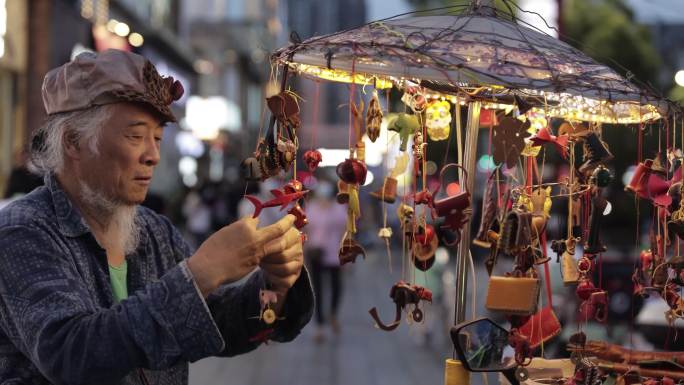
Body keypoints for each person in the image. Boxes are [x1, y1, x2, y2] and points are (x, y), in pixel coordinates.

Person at [0, 49, 313, 384]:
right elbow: (72, 354)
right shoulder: (22, 232)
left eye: (158, 138)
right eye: (135, 136)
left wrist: (274, 287)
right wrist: (203, 272)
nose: (152, 155)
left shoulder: (153, 231)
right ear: (73, 142)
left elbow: (218, 320)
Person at [305, 180, 348, 342]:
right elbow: (306, 229)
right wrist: (303, 251)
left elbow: (346, 230)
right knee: (317, 289)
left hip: (335, 253)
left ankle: (333, 314)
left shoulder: (338, 209)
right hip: (316, 252)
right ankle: (319, 325)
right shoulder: (312, 208)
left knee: (337, 286)